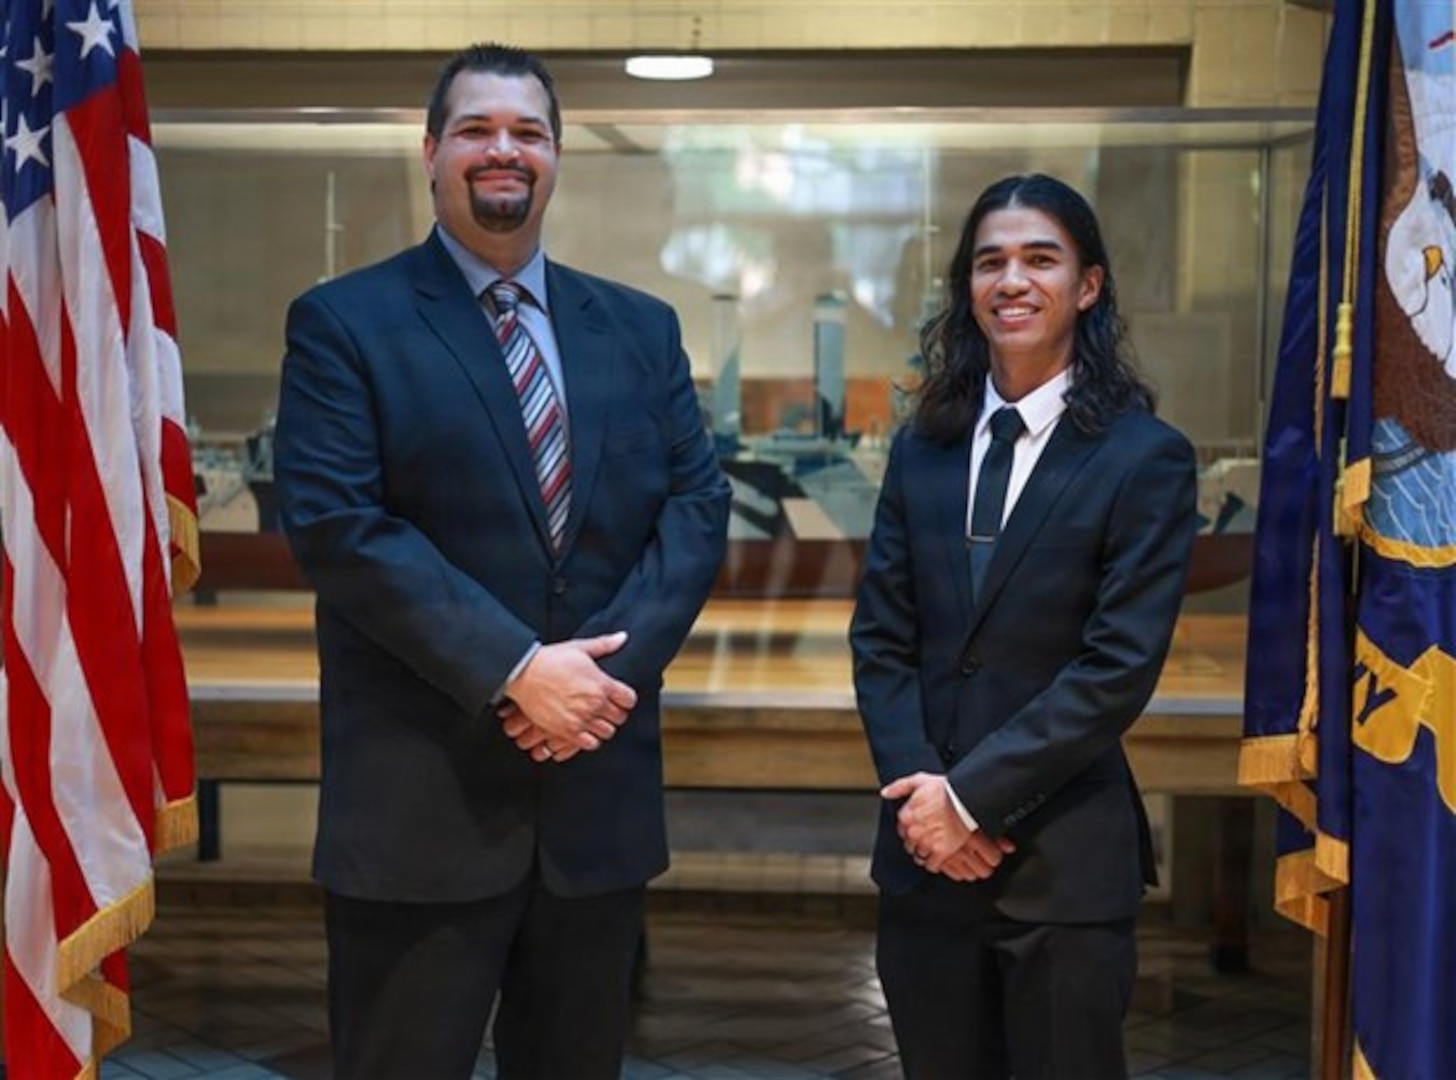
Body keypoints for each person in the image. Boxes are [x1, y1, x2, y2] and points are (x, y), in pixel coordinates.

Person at [273, 43, 731, 1079]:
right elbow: (343, 529)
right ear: (431, 151)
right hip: (420, 813)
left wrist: (597, 681)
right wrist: (520, 669)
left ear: (556, 157)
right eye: (477, 129)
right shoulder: (345, 324)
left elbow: (696, 509)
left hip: (593, 809)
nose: (503, 150)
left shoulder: (642, 330)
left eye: (527, 132)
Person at [850, 173, 1198, 1079]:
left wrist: (969, 802)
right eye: (989, 261)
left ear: (1088, 286)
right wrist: (925, 801)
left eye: (1040, 259)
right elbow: (882, 639)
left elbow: (1114, 670)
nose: (1012, 280)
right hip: (924, 861)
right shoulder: (923, 446)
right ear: (967, 288)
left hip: (1062, 865)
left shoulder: (1144, 458)